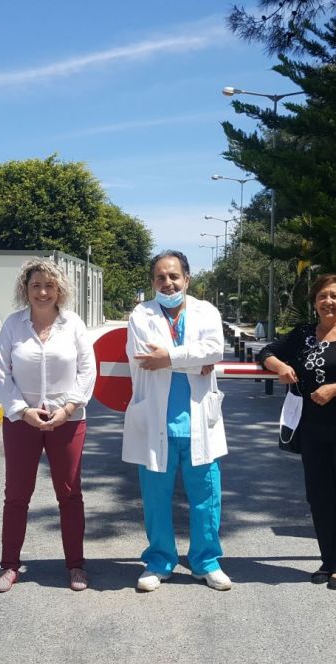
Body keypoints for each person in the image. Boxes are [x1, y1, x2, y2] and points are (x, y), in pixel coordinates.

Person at [258, 274, 336, 589]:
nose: (328, 302)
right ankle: (327, 561)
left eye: (334, 296)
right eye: (321, 297)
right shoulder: (303, 334)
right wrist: (280, 366)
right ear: (314, 302)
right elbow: (267, 352)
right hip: (313, 429)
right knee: (319, 498)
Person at [122, 250, 231, 592]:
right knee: (156, 499)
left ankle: (206, 561)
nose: (167, 283)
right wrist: (195, 362)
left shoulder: (206, 311)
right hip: (157, 421)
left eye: (173, 276)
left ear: (187, 278)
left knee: (206, 497)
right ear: (152, 282)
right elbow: (145, 358)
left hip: (200, 421)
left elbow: (214, 350)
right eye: (160, 277)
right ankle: (159, 560)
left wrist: (168, 357)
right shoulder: (141, 314)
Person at [0, 259, 96, 593]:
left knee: (70, 494)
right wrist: (22, 411)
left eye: (49, 285)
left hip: (68, 421)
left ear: (59, 290)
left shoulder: (73, 324)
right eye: (36, 285)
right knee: (16, 495)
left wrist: (69, 407)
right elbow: (1, 372)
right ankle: (9, 566)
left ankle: (76, 565)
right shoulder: (13, 325)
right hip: (23, 422)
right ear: (26, 289)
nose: (43, 292)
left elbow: (87, 369)